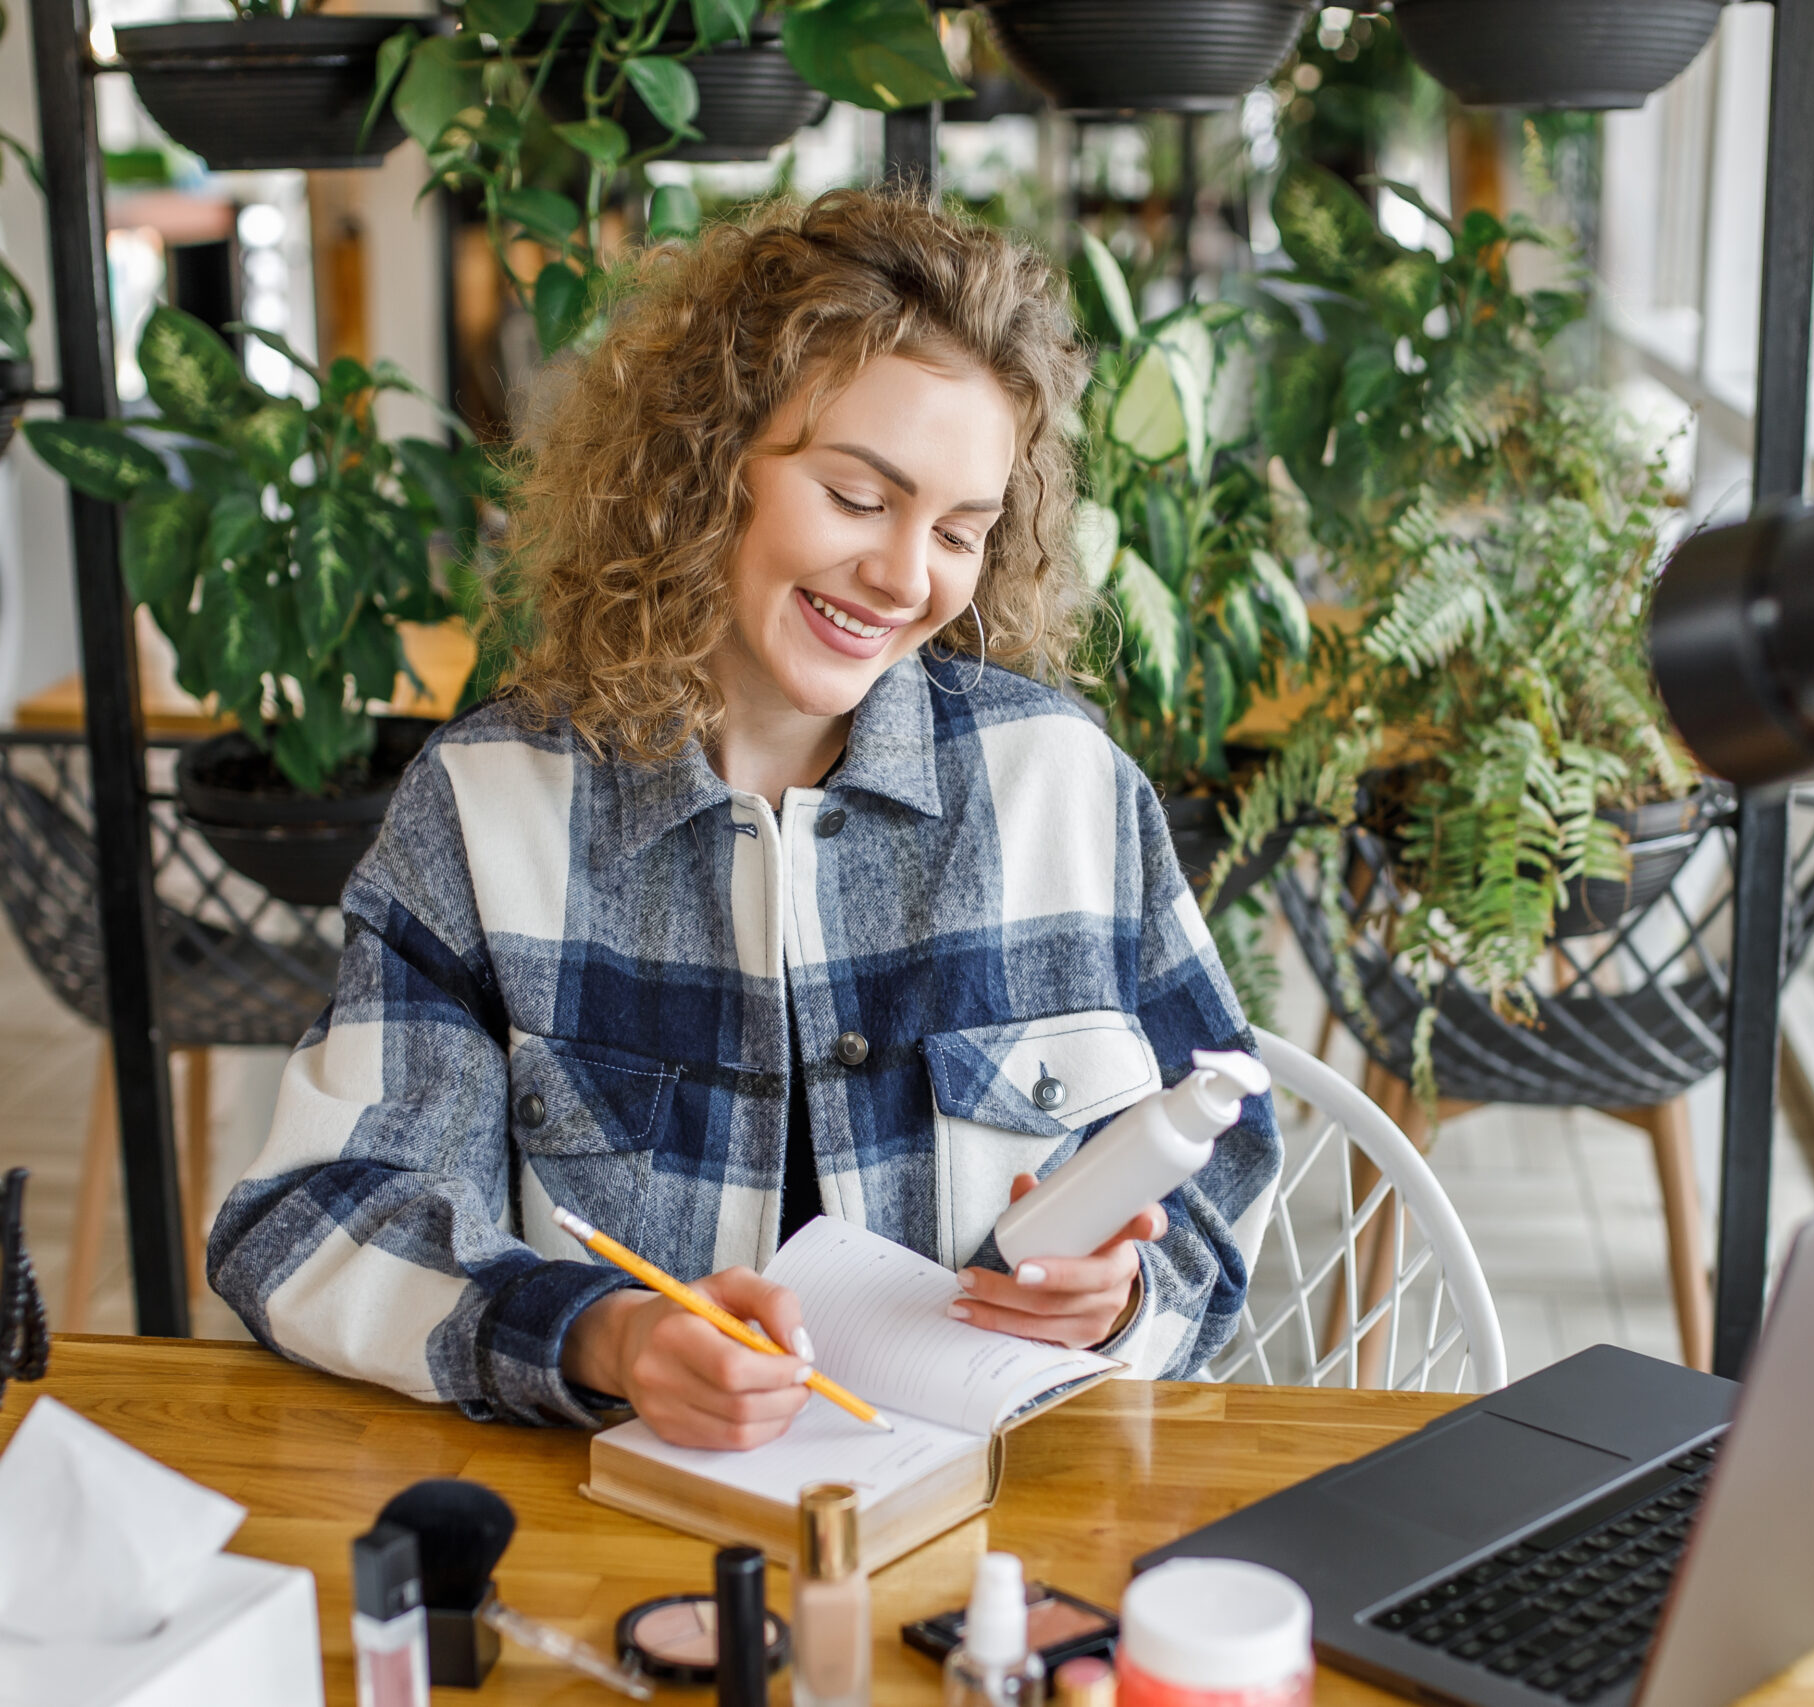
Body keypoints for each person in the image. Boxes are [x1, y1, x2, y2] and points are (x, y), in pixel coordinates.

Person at [208, 192, 1281, 1450]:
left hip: (997, 1539)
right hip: (629, 1539)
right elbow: (309, 1218)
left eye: (958, 531)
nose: (903, 576)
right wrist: (601, 1334)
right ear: (701, 465)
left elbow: (1221, 1164)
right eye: (856, 496)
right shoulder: (490, 809)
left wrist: (1117, 1302)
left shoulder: (1067, 790)